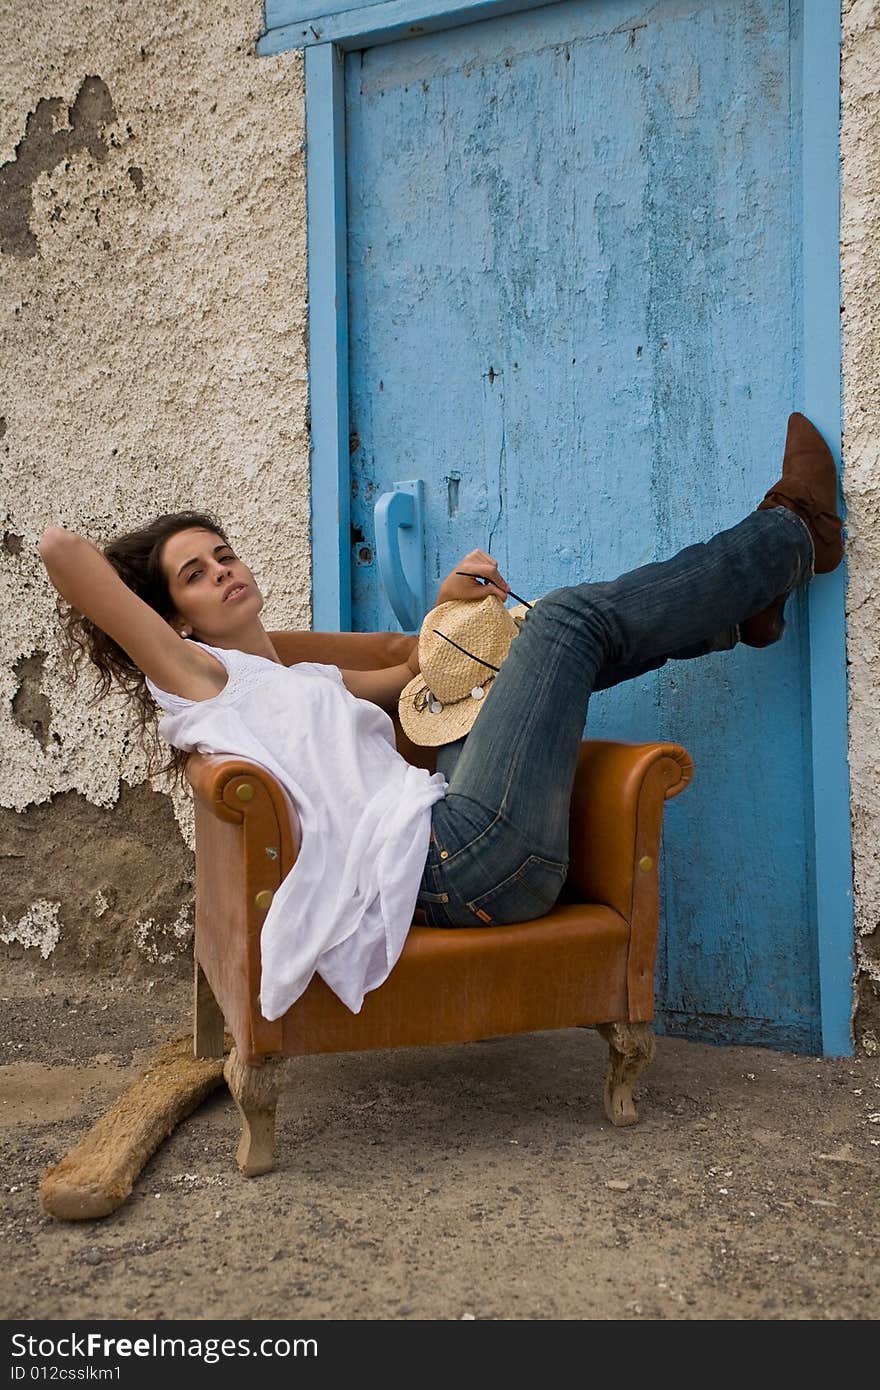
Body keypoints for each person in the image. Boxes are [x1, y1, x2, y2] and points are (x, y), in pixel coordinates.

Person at [39, 412, 843, 1021]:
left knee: (502, 643)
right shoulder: (198, 677)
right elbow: (59, 553)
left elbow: (420, 676)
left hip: (447, 831)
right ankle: (794, 532)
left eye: (224, 556)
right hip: (457, 866)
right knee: (565, 620)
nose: (222, 573)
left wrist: (453, 609)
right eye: (194, 574)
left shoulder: (291, 678)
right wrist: (132, 590)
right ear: (171, 620)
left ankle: (739, 615)